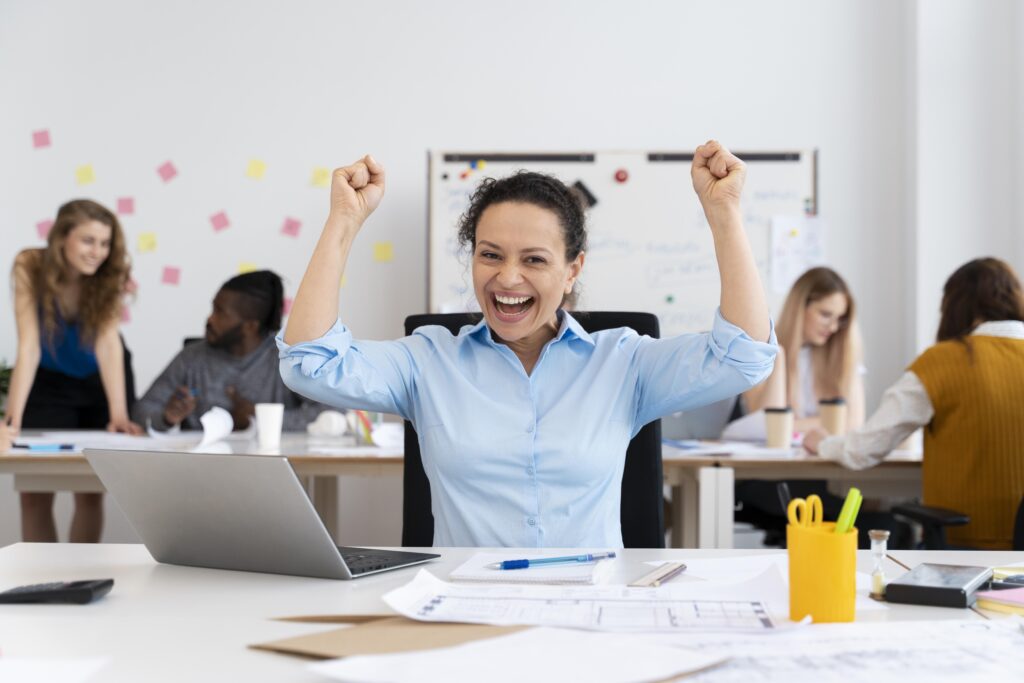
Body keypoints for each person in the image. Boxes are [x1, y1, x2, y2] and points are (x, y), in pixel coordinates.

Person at [277, 142, 777, 548]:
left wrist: (724, 215)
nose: (507, 278)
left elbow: (743, 358)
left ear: (572, 270)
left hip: (590, 612)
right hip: (466, 611)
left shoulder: (623, 362)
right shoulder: (427, 360)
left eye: (534, 260)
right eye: (490, 255)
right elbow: (308, 363)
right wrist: (344, 221)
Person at [805, 257, 1024, 550]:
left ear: (955, 306)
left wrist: (823, 442)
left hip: (968, 546)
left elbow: (863, 450)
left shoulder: (944, 362)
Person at [5, 199, 141, 543]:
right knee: (34, 491)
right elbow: (29, 347)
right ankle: (41, 582)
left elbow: (109, 345)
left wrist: (119, 413)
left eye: (105, 243)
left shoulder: (110, 274)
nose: (98, 252)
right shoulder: (28, 265)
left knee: (90, 489)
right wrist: (11, 425)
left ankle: (79, 579)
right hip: (48, 381)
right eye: (88, 241)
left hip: (99, 381)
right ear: (61, 237)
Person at [133, 270, 326, 432]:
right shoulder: (192, 357)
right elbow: (141, 411)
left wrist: (259, 419)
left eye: (220, 312)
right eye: (213, 308)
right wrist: (167, 417)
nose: (210, 319)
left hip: (268, 468)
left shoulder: (286, 359)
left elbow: (331, 413)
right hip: (200, 469)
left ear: (250, 326)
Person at [728, 266, 865, 436]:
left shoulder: (843, 355)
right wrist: (778, 355)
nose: (834, 327)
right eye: (825, 314)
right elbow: (767, 423)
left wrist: (793, 425)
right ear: (800, 307)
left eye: (840, 318)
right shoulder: (762, 353)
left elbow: (852, 423)